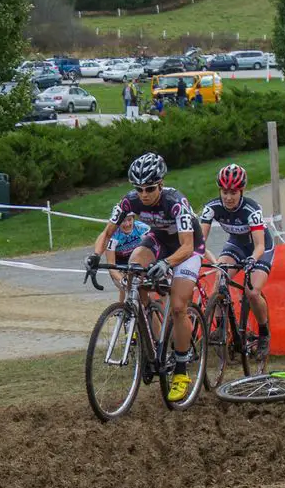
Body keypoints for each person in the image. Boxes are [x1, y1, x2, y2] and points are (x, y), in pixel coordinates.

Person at [87, 152, 206, 402]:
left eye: (150, 188)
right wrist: (95, 256)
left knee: (177, 306)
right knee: (133, 268)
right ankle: (147, 334)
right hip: (159, 239)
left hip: (187, 247)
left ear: (160, 184)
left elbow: (186, 246)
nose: (144, 194)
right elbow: (107, 232)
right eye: (139, 189)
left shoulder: (175, 203)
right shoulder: (129, 202)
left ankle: (182, 371)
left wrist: (165, 264)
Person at [199, 163, 275, 359]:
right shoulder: (211, 208)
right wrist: (197, 256)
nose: (228, 197)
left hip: (260, 247)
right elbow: (200, 242)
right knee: (219, 280)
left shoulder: (252, 209)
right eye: (224, 192)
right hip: (236, 245)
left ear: (241, 191)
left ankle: (264, 333)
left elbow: (259, 246)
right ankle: (220, 327)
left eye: (233, 192)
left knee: (252, 291)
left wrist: (251, 260)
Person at [97, 213, 149, 302]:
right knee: (126, 289)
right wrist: (122, 281)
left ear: (133, 219)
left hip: (137, 259)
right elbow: (111, 265)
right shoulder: (113, 235)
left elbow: (152, 251)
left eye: (129, 220)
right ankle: (122, 312)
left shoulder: (142, 228)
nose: (127, 224)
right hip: (119, 264)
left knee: (145, 289)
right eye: (123, 221)